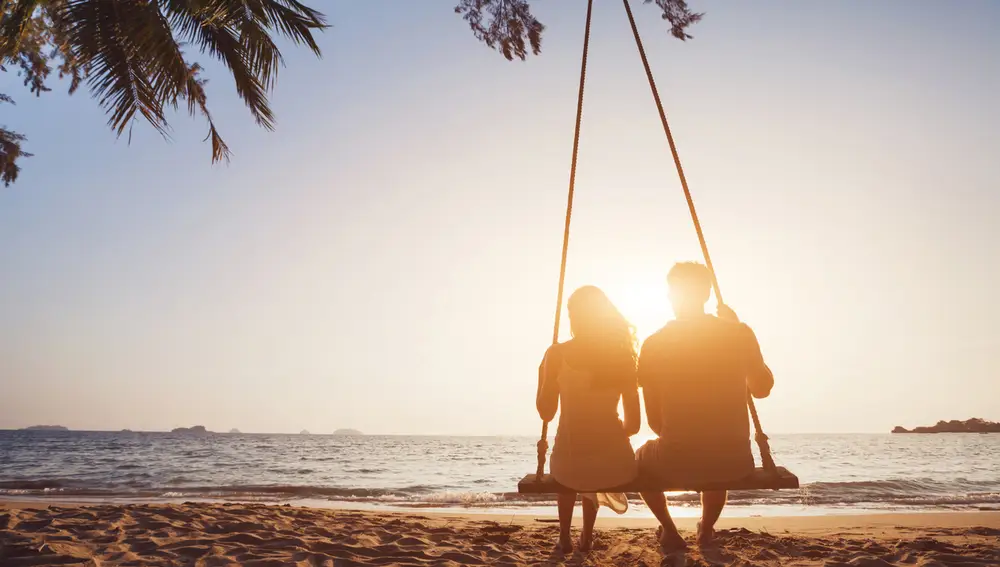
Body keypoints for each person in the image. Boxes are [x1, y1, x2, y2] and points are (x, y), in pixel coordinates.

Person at [635, 262, 774, 552]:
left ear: (671, 295)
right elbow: (762, 389)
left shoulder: (654, 344)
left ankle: (669, 529)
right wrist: (737, 327)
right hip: (734, 461)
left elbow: (654, 422)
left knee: (639, 461)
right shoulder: (739, 333)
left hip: (676, 459)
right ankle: (706, 529)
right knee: (717, 452)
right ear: (708, 293)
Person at [536, 285, 642, 553]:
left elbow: (546, 412)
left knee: (572, 460)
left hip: (569, 464)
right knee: (593, 459)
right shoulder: (622, 357)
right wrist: (610, 434)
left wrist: (542, 376)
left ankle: (564, 537)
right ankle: (586, 535)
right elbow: (634, 425)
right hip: (615, 465)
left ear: (574, 316)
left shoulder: (556, 354)